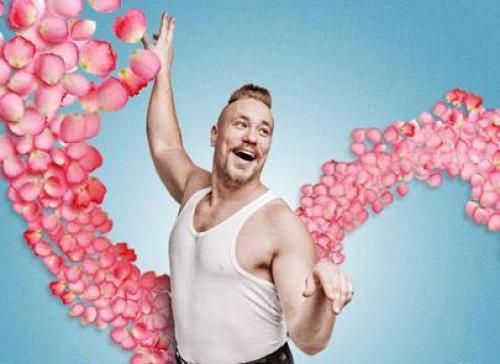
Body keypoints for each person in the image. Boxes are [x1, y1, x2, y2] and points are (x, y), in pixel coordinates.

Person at [142, 11, 354, 364]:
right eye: (241, 124)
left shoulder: (278, 223)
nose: (252, 138)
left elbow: (308, 338)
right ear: (216, 134)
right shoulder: (194, 189)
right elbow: (166, 147)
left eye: (264, 130)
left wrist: (322, 291)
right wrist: (162, 71)